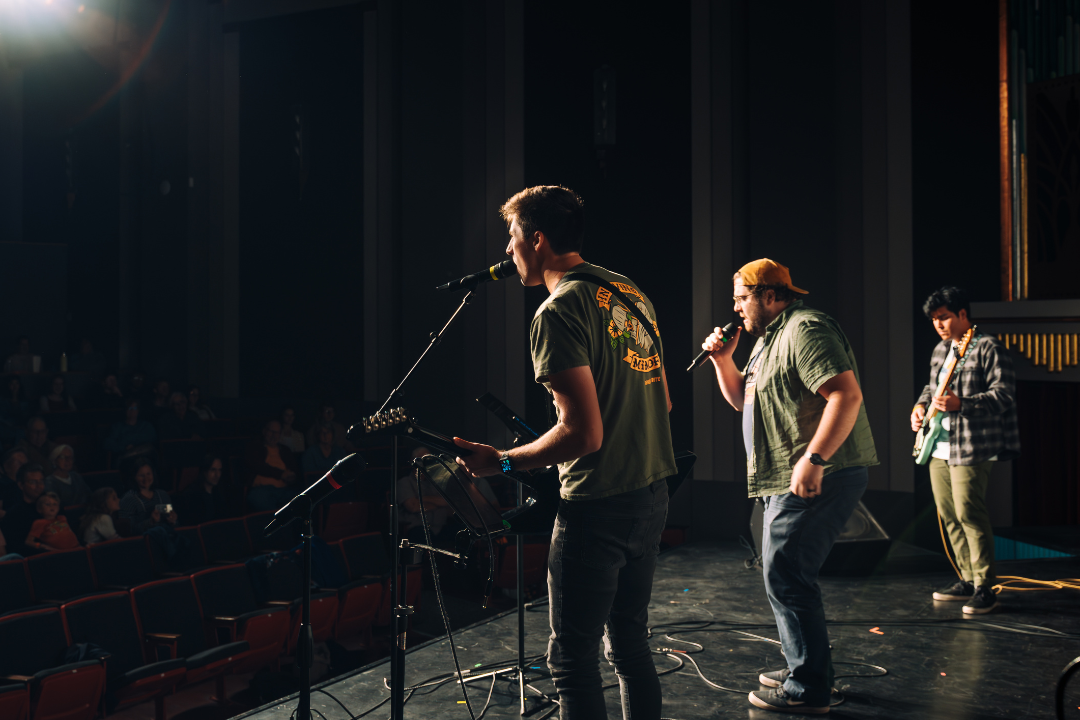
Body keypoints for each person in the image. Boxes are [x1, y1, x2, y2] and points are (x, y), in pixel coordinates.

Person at [453, 186, 675, 720]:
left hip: (597, 505)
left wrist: (501, 461)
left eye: (511, 238)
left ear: (537, 239)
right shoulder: (627, 290)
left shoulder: (557, 311)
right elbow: (662, 400)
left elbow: (583, 436)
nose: (507, 251)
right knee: (630, 645)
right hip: (652, 494)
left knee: (572, 662)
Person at [699, 258, 878, 714]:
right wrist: (723, 360)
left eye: (742, 297)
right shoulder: (768, 340)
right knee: (782, 573)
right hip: (783, 475)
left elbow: (845, 394)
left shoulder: (806, 328)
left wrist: (814, 459)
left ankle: (808, 686)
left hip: (822, 473)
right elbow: (745, 399)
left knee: (787, 574)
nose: (736, 307)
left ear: (771, 296)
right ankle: (806, 667)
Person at [911, 286, 1020, 616]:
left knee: (970, 512)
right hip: (938, 444)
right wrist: (919, 407)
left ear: (962, 314)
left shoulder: (988, 347)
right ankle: (967, 579)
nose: (939, 324)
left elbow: (1005, 394)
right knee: (948, 515)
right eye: (934, 319)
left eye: (944, 317)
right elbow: (931, 389)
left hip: (973, 445)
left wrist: (964, 404)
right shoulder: (940, 350)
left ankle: (986, 586)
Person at [246, 419, 299, 512]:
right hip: (262, 490)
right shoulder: (255, 447)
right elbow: (258, 466)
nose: (274, 435)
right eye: (271, 431)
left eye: (277, 432)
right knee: (258, 498)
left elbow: (294, 470)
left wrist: (292, 477)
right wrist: (281, 474)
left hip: (285, 490)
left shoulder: (285, 450)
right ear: (264, 431)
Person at [119, 459, 178, 534]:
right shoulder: (128, 499)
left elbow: (174, 525)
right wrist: (151, 522)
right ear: (134, 477)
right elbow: (127, 531)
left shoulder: (162, 495)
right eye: (141, 475)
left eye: (148, 474)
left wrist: (173, 521)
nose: (146, 478)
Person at [1, 464, 46, 556]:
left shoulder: (54, 505)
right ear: (21, 485)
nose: (39, 486)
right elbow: (17, 549)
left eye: (41, 481)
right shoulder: (13, 515)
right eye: (33, 482)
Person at [175, 454, 227, 525]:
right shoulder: (191, 494)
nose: (217, 475)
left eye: (219, 470)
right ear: (204, 471)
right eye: (213, 470)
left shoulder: (219, 493)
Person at [104, 397, 158, 463]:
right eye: (129, 408)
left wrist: (133, 444)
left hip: (144, 459)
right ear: (125, 410)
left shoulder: (145, 425)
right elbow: (108, 443)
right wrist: (124, 448)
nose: (132, 410)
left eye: (135, 408)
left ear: (138, 410)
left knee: (149, 448)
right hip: (127, 460)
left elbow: (152, 438)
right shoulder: (117, 427)